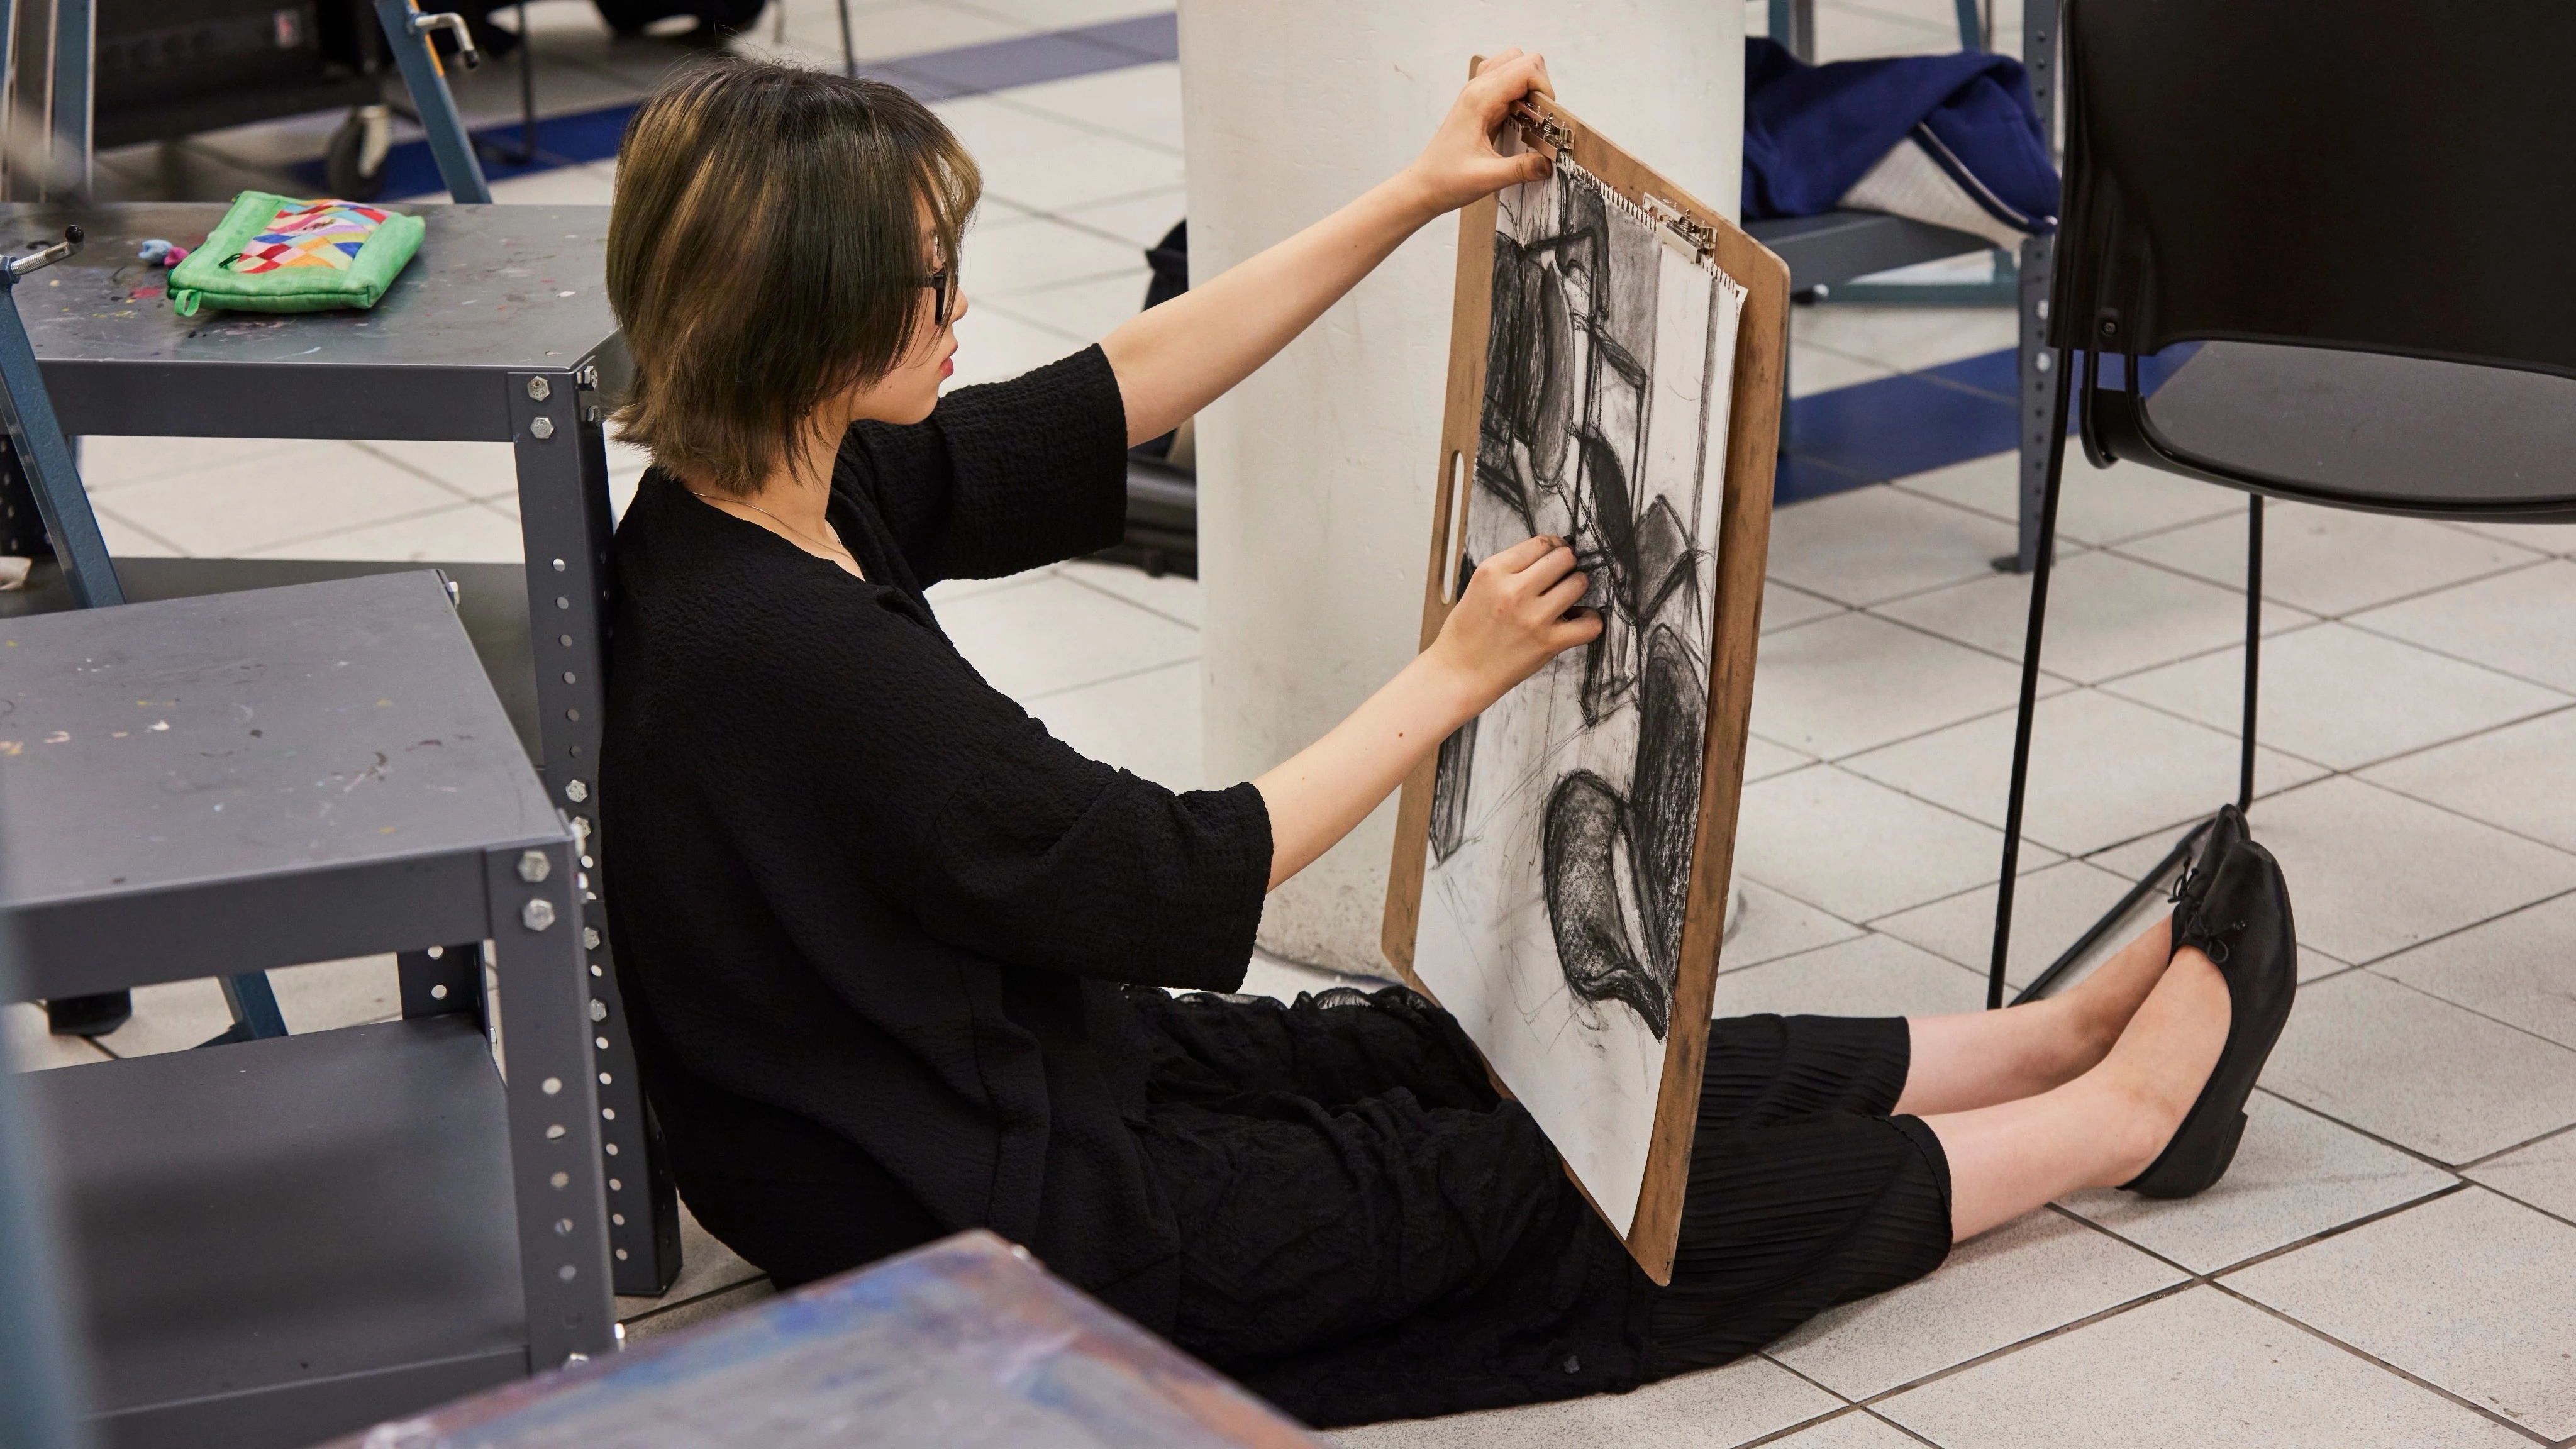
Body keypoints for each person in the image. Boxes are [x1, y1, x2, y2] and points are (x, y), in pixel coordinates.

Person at [596, 52, 2299, 1428]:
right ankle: (2111, 1124)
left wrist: (1417, 194)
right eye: (932, 276)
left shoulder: (749, 489)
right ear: (815, 324)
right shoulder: (803, 661)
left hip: (994, 1091)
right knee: (1532, 1215)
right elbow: (1177, 871)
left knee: (1450, 1066)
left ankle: (2032, 1041)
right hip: (1002, 1227)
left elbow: (1112, 394)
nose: (962, 303)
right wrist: (1457, 668)